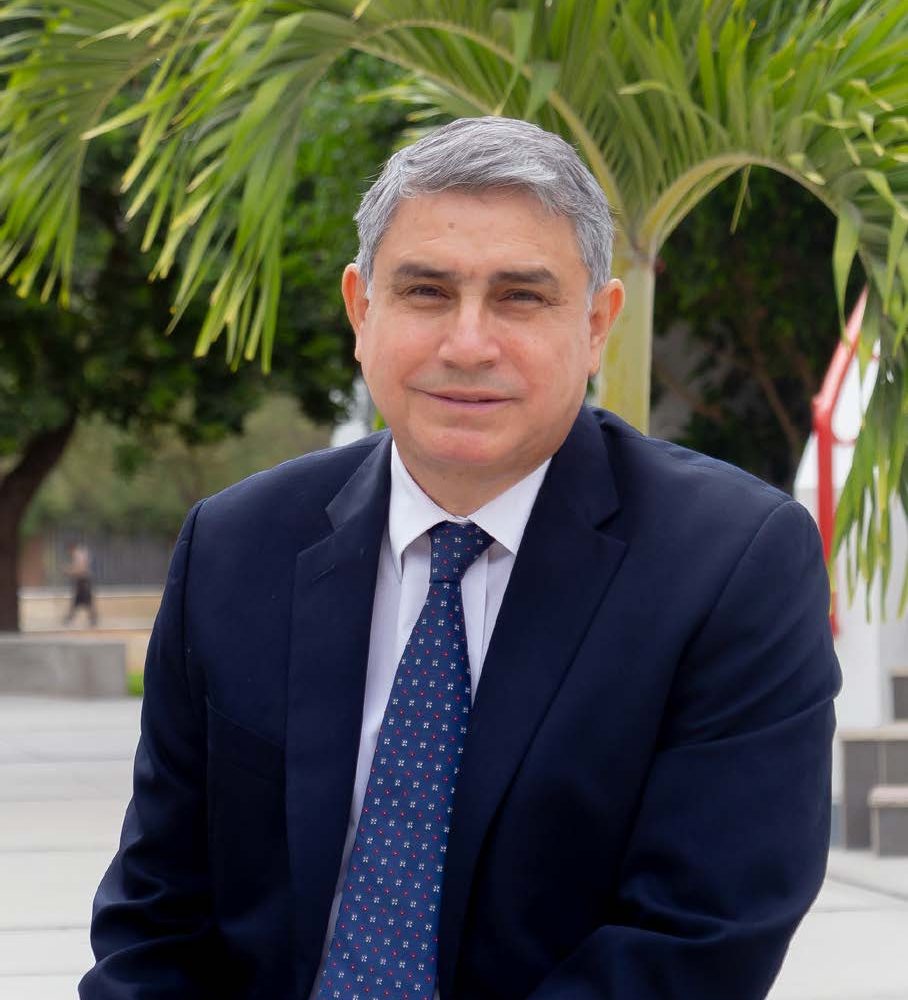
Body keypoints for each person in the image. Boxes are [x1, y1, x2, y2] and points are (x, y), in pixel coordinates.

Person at [80, 117, 839, 1000]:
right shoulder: (234, 547)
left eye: (521, 297)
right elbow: (155, 917)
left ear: (597, 323)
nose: (468, 344)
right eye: (427, 291)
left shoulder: (734, 564)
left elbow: (696, 942)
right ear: (362, 310)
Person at [63, 542, 97, 627]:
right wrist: (70, 570)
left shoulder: (78, 555)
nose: (69, 553)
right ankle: (70, 618)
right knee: (79, 601)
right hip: (81, 581)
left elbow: (81, 569)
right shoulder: (79, 555)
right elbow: (77, 567)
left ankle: (92, 619)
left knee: (86, 600)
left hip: (84, 581)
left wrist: (69, 571)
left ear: (71, 548)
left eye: (69, 551)